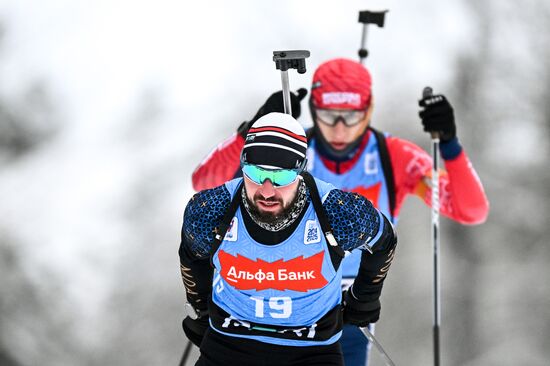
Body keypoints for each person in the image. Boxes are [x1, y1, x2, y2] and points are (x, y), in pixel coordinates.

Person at [190, 58, 490, 365]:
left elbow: (471, 210)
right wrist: (252, 132)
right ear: (314, 108)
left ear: (369, 109)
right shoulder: (288, 152)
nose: (339, 128)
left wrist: (450, 145)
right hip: (259, 304)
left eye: (351, 116)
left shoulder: (394, 157)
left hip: (346, 312)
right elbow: (204, 184)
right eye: (329, 114)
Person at [179, 112, 398, 366]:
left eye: (282, 176)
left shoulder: (338, 212)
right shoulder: (211, 210)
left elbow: (385, 241)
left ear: (301, 170)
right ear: (243, 165)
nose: (267, 190)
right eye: (256, 173)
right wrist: (199, 309)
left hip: (311, 350)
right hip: (228, 344)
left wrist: (365, 297)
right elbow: (191, 254)